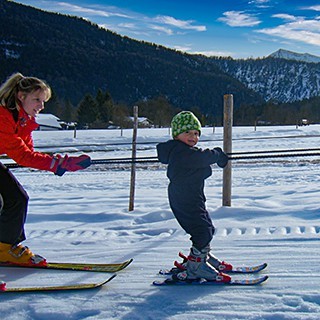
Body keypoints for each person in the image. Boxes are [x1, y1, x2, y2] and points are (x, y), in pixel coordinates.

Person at [0, 72, 91, 266]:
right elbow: (23, 156)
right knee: (15, 198)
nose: (41, 106)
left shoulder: (21, 120)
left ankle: (5, 247)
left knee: (16, 199)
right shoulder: (3, 117)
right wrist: (61, 164)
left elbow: (29, 154)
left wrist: (62, 163)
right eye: (37, 100)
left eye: (43, 101)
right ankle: (4, 248)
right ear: (20, 96)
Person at [157, 111, 232, 282]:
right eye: (188, 132)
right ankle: (196, 266)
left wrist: (208, 163)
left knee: (207, 229)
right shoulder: (180, 151)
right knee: (202, 231)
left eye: (196, 133)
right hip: (185, 199)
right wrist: (217, 154)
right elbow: (200, 159)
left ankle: (199, 258)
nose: (193, 136)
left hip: (190, 197)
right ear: (176, 135)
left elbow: (198, 164)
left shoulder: (185, 152)